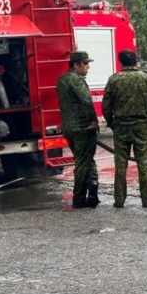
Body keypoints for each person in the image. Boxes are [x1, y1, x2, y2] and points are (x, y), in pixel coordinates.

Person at [101, 49, 147, 209]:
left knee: (120, 164)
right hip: (142, 125)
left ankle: (119, 199)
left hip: (121, 126)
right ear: (135, 61)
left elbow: (106, 106)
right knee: (143, 163)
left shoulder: (114, 80)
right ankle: (146, 198)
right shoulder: (146, 78)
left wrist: (111, 123)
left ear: (121, 62)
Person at [56, 50, 100, 209]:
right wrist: (93, 121)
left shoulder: (61, 80)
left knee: (86, 159)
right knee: (83, 162)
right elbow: (87, 101)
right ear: (76, 65)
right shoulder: (76, 80)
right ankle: (79, 198)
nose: (88, 67)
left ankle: (93, 194)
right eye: (85, 64)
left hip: (68, 127)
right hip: (82, 127)